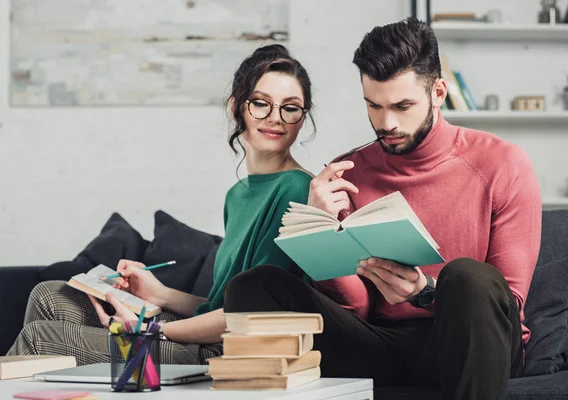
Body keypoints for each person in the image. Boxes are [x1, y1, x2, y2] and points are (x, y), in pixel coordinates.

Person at [223, 18, 542, 400]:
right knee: (253, 286)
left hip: (476, 345)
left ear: (438, 92)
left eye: (402, 106)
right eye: (373, 106)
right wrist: (320, 226)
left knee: (467, 276)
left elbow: (508, 298)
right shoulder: (348, 172)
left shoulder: (502, 163)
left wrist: (426, 292)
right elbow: (356, 307)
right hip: (384, 346)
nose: (386, 122)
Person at [7, 44, 316, 366]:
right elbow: (218, 304)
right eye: (261, 103)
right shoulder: (237, 195)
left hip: (230, 350)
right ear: (236, 107)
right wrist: (158, 295)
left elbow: (250, 315)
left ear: (302, 116)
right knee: (50, 296)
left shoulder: (296, 189)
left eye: (290, 108)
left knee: (40, 337)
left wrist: (154, 329)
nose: (275, 118)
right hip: (206, 333)